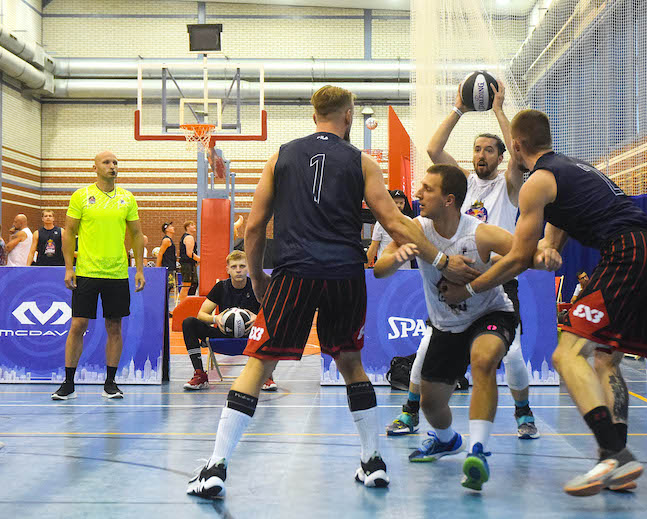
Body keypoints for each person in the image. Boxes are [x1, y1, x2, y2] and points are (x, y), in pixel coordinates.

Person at [186, 85, 478, 499]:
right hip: (344, 274)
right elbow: (395, 223)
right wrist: (444, 260)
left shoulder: (280, 157)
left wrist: (257, 279)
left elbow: (253, 228)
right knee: (351, 365)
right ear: (348, 116)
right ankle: (373, 461)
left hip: (294, 273)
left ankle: (215, 467)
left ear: (313, 116)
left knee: (259, 364)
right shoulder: (361, 162)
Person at [442, 109, 647, 496]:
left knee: (565, 355)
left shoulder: (537, 183)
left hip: (626, 254)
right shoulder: (572, 168)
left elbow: (517, 258)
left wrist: (469, 289)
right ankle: (617, 456)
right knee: (605, 358)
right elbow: (558, 227)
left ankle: (614, 455)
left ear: (515, 146)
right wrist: (549, 247)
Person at [375, 165, 547, 490]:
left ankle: (478, 451)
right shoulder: (416, 228)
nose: (417, 194)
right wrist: (399, 256)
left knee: (483, 362)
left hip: (490, 313)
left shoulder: (479, 232)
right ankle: (446, 440)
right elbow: (380, 271)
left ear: (449, 199)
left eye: (427, 189)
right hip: (446, 325)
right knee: (430, 404)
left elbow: (525, 253)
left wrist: (544, 254)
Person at [386, 80, 539, 441]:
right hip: (451, 276)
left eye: (489, 150)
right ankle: (411, 411)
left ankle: (523, 413)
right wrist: (459, 108)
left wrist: (499, 109)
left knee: (512, 354)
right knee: (427, 345)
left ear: (501, 157)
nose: (481, 155)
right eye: (477, 149)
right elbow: (433, 148)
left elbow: (520, 155)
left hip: (495, 278)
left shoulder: (509, 186)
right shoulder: (463, 185)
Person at [52, 150, 146, 400]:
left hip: (116, 273)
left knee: (114, 326)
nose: (112, 166)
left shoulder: (127, 198)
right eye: (107, 162)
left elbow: (137, 235)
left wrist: (138, 269)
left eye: (115, 162)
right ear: (94, 167)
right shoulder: (81, 196)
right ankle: (68, 383)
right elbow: (68, 232)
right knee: (78, 325)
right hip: (86, 272)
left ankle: (111, 383)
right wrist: (69, 267)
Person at [182, 250, 267, 390]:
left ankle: (266, 376)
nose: (238, 270)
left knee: (269, 324)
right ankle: (199, 374)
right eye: (234, 267)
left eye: (242, 266)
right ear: (227, 269)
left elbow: (272, 313)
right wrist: (216, 318)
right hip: (223, 334)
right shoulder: (221, 287)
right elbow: (201, 314)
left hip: (251, 336)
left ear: (248, 267)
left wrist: (258, 318)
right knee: (189, 322)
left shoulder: (256, 286)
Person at [366, 189, 413, 267]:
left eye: (401, 203)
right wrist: (364, 268)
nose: (398, 205)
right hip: (384, 269)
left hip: (405, 271)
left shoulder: (410, 222)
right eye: (396, 202)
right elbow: (373, 248)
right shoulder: (381, 223)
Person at [179, 221, 201, 301]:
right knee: (186, 286)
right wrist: (201, 259)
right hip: (187, 265)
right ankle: (182, 306)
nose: (194, 226)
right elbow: (189, 254)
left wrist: (196, 262)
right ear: (187, 227)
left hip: (189, 264)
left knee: (193, 284)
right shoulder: (189, 237)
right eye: (192, 225)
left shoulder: (188, 237)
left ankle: (188, 304)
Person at [156, 222, 178, 293]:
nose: (173, 228)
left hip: (171, 267)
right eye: (171, 227)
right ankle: (163, 304)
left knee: (170, 287)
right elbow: (160, 254)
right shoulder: (166, 240)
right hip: (167, 268)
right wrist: (157, 268)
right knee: (167, 288)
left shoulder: (170, 240)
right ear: (167, 229)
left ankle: (166, 303)